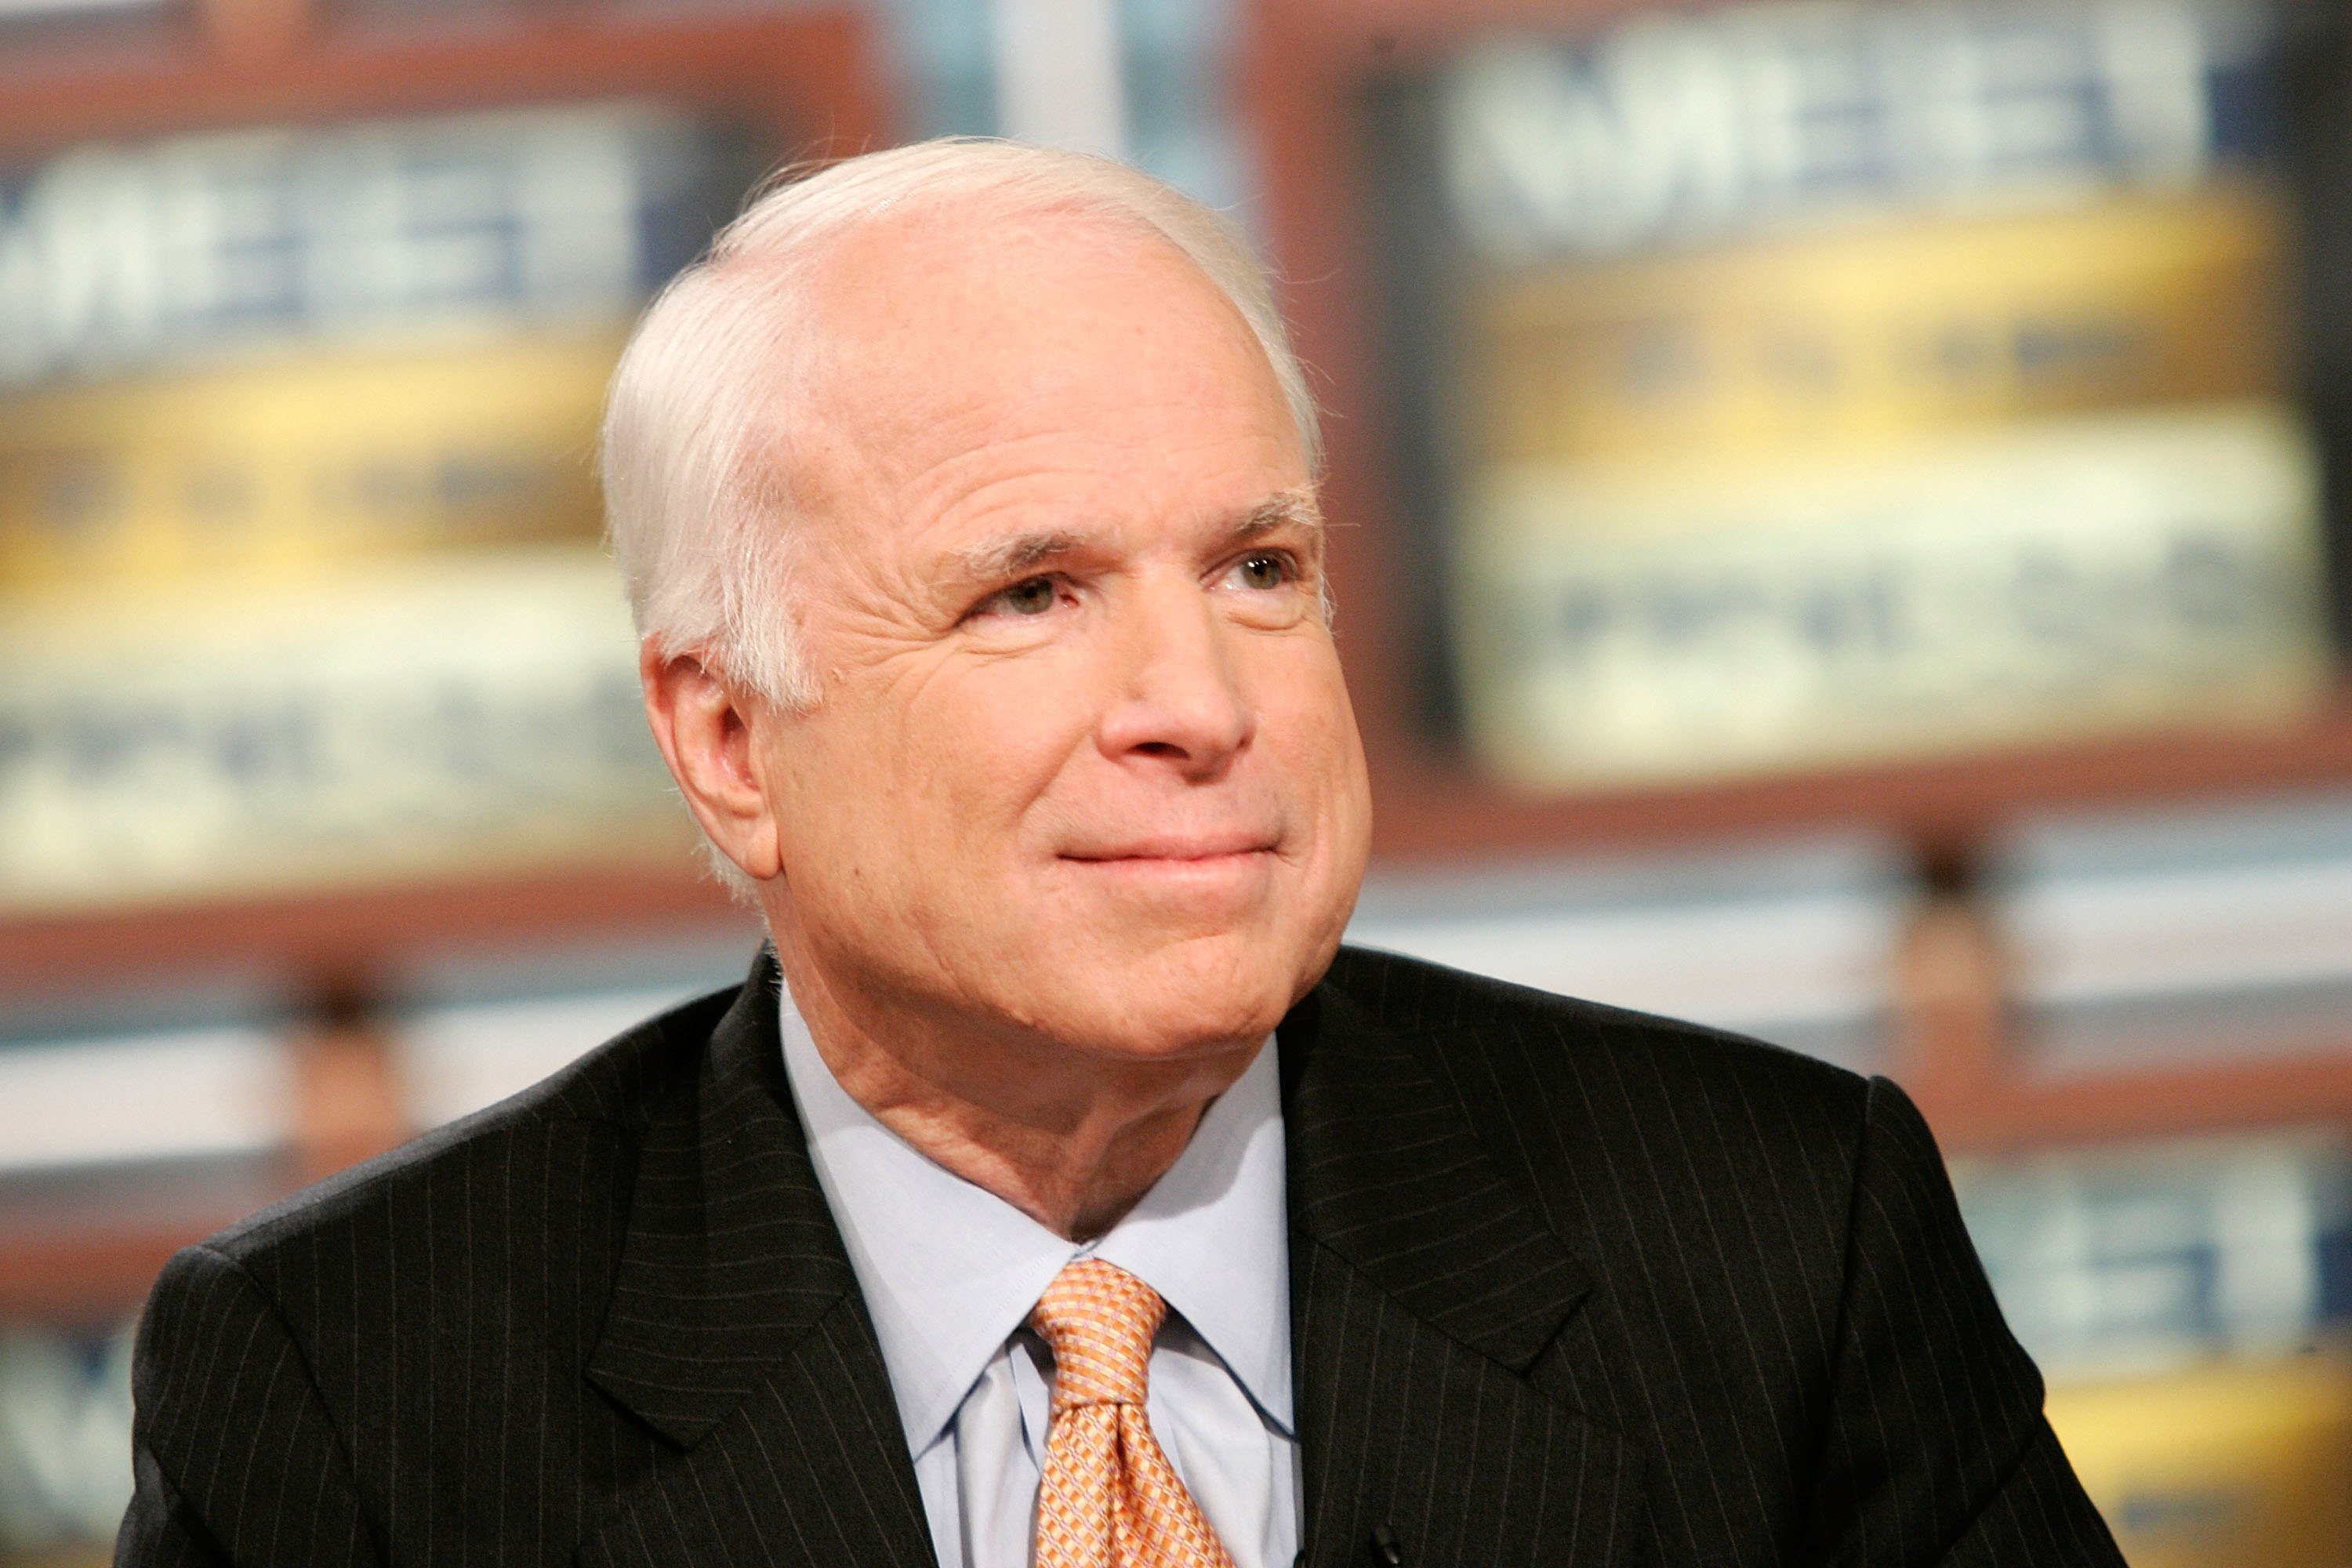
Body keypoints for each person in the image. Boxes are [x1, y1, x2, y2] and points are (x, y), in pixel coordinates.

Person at [117, 139, 2123, 1568]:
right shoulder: (358, 1387)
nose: (1202, 699)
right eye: (1030, 594)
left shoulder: (1776, 1240)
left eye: (1260, 568)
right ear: (727, 738)